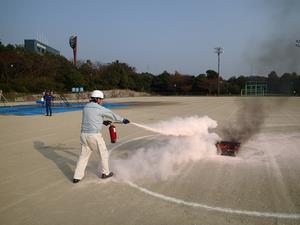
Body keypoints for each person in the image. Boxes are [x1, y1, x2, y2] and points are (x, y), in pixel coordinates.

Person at [73, 90, 130, 183]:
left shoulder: (86, 107)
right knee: (104, 154)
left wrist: (102, 122)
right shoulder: (100, 108)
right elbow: (112, 115)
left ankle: (77, 176)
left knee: (83, 156)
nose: (102, 101)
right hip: (94, 135)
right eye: (101, 99)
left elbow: (90, 118)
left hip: (83, 135)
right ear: (97, 99)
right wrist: (123, 120)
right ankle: (105, 173)